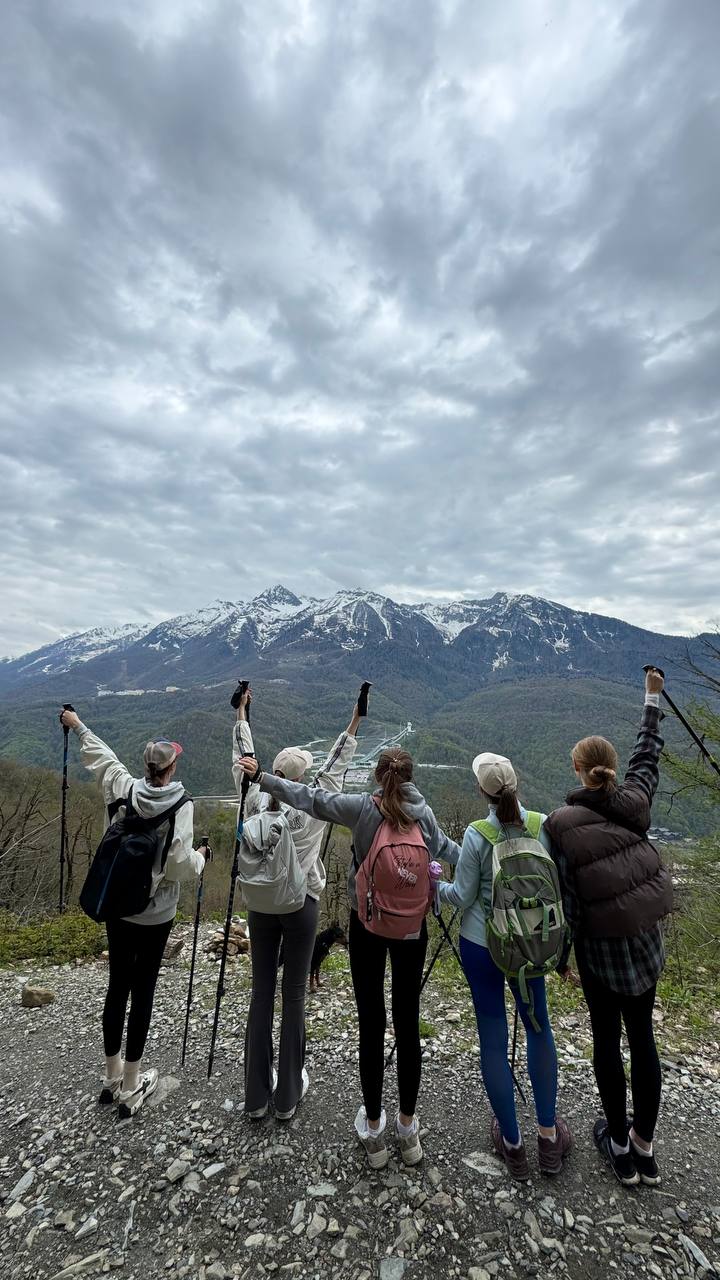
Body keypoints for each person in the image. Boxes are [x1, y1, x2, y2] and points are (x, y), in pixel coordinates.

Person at [237, 743, 460, 1168]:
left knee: (372, 1023)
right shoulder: (424, 814)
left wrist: (264, 777)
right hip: (413, 928)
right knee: (408, 1024)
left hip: (368, 925)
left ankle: (373, 1130)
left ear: (378, 776)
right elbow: (449, 849)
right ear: (410, 778)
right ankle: (408, 1131)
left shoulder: (362, 809)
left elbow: (312, 798)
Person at [543, 667, 673, 1188]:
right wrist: (651, 699)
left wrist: (563, 959)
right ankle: (645, 1146)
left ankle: (617, 1145)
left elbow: (568, 906)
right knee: (643, 1040)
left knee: (606, 1042)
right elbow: (648, 757)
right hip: (644, 945)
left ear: (577, 770)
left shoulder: (559, 825)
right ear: (611, 770)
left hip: (600, 954)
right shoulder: (636, 802)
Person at [60, 709, 209, 1118]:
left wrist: (77, 725)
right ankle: (132, 1084)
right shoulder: (181, 803)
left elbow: (102, 758)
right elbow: (179, 864)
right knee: (143, 991)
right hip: (156, 913)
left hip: (118, 907)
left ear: (147, 767)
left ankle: (110, 1076)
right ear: (172, 766)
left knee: (117, 987)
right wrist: (200, 859)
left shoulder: (125, 789)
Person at [437, 754, 571, 1180]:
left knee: (492, 1038)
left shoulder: (478, 835)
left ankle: (513, 1147)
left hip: (483, 946)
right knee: (538, 1028)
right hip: (531, 948)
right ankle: (549, 1140)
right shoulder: (542, 825)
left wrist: (431, 884)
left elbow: (461, 896)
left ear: (482, 791)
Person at [232, 689, 360, 1121]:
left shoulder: (252, 800)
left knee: (261, 993)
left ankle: (254, 1097)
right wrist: (356, 718)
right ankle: (287, 1094)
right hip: (301, 904)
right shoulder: (311, 805)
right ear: (300, 781)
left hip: (259, 904)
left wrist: (242, 714)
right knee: (294, 997)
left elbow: (245, 760)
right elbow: (336, 764)